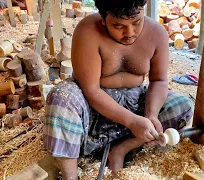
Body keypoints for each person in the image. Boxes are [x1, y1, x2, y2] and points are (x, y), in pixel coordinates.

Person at [43, 0, 194, 179]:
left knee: (182, 106)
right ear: (103, 18)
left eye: (136, 22)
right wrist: (131, 122)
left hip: (134, 101)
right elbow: (91, 90)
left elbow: (159, 80)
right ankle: (70, 175)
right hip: (93, 108)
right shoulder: (88, 31)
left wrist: (151, 115)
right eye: (118, 25)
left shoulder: (157, 33)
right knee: (60, 97)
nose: (129, 33)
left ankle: (122, 148)